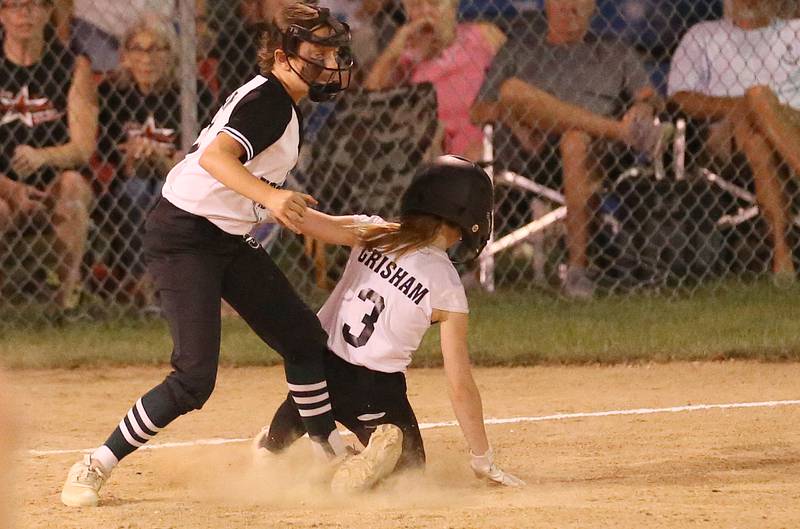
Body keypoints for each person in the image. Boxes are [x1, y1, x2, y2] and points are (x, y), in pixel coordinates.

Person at [60, 3, 397, 507]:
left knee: (304, 338)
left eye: (334, 51)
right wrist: (272, 198)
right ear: (283, 56)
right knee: (194, 378)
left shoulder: (283, 105)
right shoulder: (270, 101)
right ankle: (95, 464)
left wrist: (356, 233)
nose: (331, 62)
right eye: (318, 52)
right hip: (184, 237)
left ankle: (327, 452)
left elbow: (284, 210)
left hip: (224, 236)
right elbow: (219, 158)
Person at [255, 155, 525, 491]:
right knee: (410, 474)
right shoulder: (447, 285)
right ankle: (370, 462)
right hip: (374, 392)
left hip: (318, 372)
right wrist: (482, 458)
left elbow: (308, 222)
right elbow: (460, 383)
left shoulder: (373, 231)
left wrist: (260, 199)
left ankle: (273, 448)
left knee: (300, 409)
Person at [470, 0, 671, 299]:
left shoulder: (615, 50)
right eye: (562, 2)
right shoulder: (519, 48)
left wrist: (643, 106)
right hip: (531, 152)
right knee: (513, 90)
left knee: (575, 139)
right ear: (548, 6)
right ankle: (617, 131)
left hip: (597, 154)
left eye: (580, 3)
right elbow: (479, 111)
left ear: (593, 9)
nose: (570, 8)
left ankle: (578, 270)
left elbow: (652, 98)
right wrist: (517, 114)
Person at [668, 0, 800, 280]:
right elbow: (680, 98)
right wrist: (745, 108)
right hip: (726, 133)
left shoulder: (796, 31)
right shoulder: (702, 36)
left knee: (759, 134)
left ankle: (782, 255)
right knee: (756, 100)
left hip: (794, 122)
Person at [95, 15, 214, 305]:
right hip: (128, 179)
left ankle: (159, 282)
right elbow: (106, 151)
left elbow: (205, 152)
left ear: (171, 55)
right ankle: (141, 281)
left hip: (178, 178)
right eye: (138, 49)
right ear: (126, 56)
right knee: (137, 191)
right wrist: (131, 153)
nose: (146, 58)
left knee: (163, 194)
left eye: (156, 49)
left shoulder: (193, 93)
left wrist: (165, 160)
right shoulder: (113, 93)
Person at [0, 0, 97, 313]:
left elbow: (83, 147)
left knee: (73, 186)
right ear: (1, 14)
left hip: (52, 181)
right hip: (2, 186)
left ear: (47, 12)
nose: (23, 14)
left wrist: (42, 157)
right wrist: (11, 189)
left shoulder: (71, 65)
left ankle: (68, 300)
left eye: (33, 5)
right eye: (12, 6)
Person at [364, 0, 506, 159]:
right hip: (434, 151)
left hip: (491, 140)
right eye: (416, 5)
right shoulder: (406, 56)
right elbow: (366, 100)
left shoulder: (483, 35)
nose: (425, 12)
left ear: (452, 7)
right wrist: (399, 41)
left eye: (433, 3)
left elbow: (516, 68)